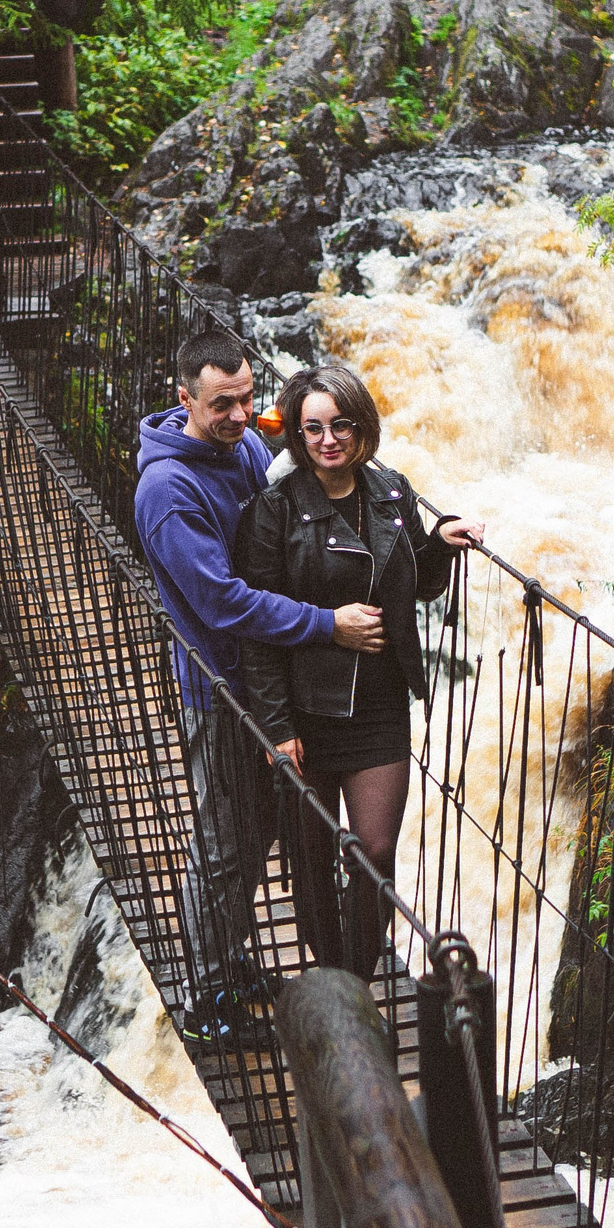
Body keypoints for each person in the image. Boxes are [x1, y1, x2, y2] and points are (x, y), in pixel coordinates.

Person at [135, 327, 385, 1047]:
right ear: (184, 398)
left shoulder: (242, 438)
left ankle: (231, 959)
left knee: (254, 832)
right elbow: (224, 603)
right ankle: (205, 997)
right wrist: (326, 624)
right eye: (223, 405)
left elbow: (280, 447)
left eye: (248, 398)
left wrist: (311, 421)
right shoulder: (169, 491)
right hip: (222, 688)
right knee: (223, 840)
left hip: (266, 681)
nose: (242, 416)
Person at [234, 363, 485, 981]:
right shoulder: (274, 511)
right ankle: (333, 971)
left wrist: (439, 545)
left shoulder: (392, 492)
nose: (328, 439)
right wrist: (274, 724)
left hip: (378, 705)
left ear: (362, 427)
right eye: (313, 427)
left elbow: (415, 586)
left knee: (373, 853)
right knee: (312, 860)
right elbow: (256, 627)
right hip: (305, 711)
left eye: (340, 424)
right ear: (296, 433)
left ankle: (362, 974)